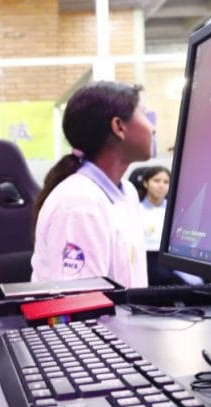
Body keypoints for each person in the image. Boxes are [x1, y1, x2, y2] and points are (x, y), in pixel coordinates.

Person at [31, 81, 153, 288]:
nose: (153, 128)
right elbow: (81, 300)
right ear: (119, 127)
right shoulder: (79, 202)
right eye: (145, 115)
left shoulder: (127, 192)